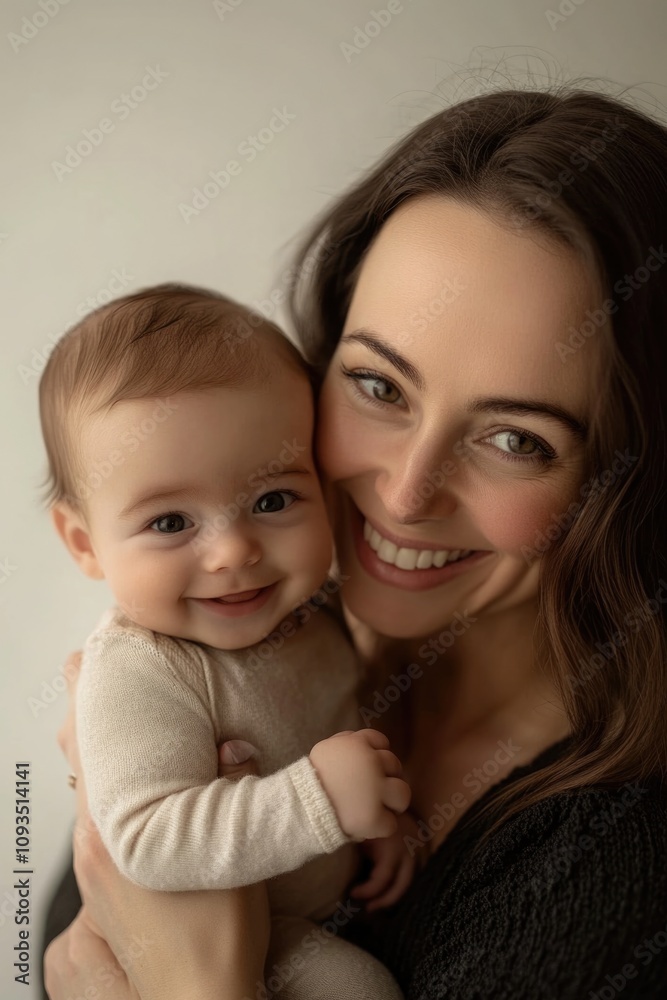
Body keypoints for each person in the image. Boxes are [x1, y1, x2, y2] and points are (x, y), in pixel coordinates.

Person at [43, 85, 667, 999]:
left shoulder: (616, 870)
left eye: (516, 440)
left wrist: (198, 983)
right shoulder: (236, 651)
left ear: (628, 482)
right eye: (378, 386)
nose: (407, 494)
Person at [38, 286, 414, 998]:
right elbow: (146, 843)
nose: (233, 551)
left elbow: (334, 725)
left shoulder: (314, 611)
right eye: (171, 522)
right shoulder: (137, 669)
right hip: (219, 935)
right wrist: (322, 805)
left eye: (272, 501)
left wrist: (377, 816)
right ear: (85, 543)